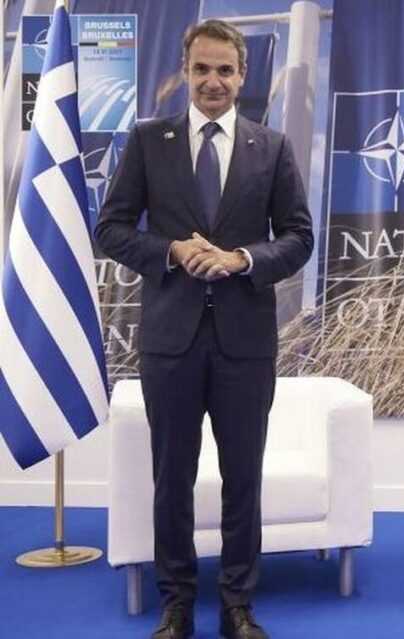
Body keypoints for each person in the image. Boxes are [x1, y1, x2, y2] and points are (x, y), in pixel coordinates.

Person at [95, 19, 313, 639]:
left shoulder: (272, 147)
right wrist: (171, 251)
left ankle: (238, 604)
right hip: (171, 342)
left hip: (246, 343)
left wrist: (243, 260)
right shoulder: (149, 141)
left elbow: (298, 237)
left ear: (242, 76)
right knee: (172, 479)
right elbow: (111, 229)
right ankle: (177, 604)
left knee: (243, 478)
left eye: (224, 70)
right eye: (201, 69)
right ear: (185, 73)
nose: (212, 81)